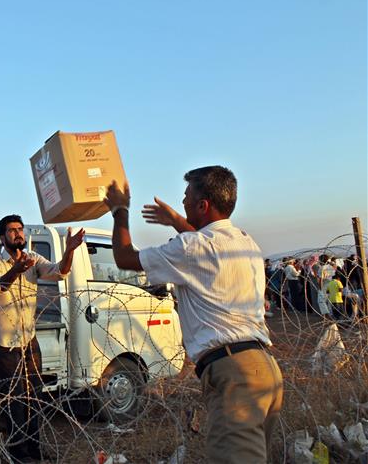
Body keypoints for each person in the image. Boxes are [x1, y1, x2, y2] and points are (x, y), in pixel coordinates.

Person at [106, 166, 283, 464]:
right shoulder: (244, 242)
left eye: (187, 196)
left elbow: (124, 257)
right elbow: (204, 246)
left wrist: (119, 210)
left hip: (233, 374)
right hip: (263, 369)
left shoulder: (191, 247)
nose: (183, 201)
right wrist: (177, 220)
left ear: (203, 205)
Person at [0, 214, 84, 462]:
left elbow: (60, 271)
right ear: (3, 237)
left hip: (28, 337)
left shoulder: (33, 259)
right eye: (12, 230)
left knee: (34, 395)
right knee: (16, 398)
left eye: (20, 229)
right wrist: (16, 270)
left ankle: (34, 448)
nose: (18, 233)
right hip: (4, 341)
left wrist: (70, 250)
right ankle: (18, 452)